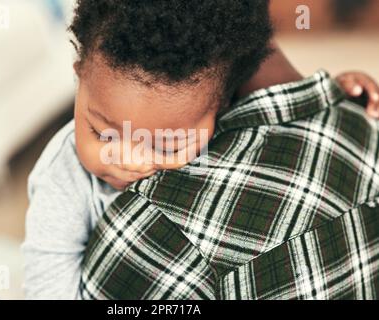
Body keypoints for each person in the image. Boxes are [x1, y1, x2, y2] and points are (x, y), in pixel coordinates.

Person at [22, 0, 379, 299]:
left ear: (223, 108)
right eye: (101, 131)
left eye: (166, 144)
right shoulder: (63, 173)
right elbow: (46, 278)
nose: (128, 157)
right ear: (79, 77)